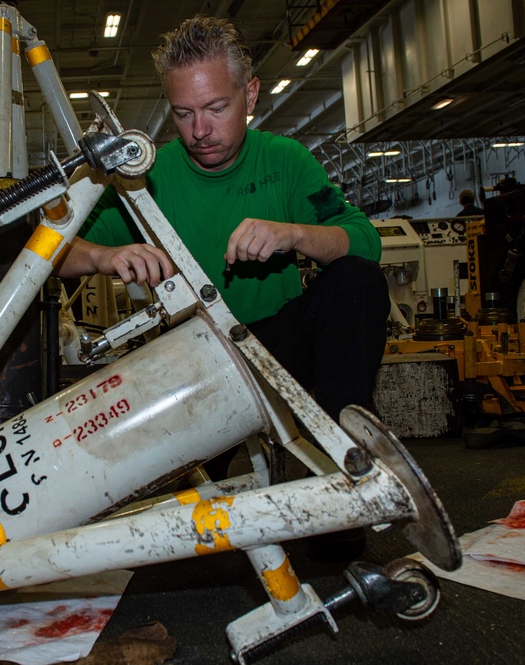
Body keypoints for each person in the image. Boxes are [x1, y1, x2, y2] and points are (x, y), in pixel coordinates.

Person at [57, 15, 389, 434]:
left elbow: (366, 243)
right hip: (194, 359)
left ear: (250, 96)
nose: (199, 131)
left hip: (277, 346)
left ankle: (351, 442)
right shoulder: (142, 180)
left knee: (357, 279)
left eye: (216, 109)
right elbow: (51, 255)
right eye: (183, 113)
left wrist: (295, 234)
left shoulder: (286, 161)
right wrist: (103, 257)